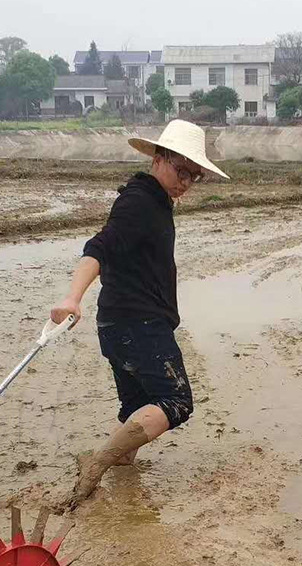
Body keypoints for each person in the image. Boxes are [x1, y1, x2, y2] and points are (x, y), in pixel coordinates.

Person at [50, 120, 230, 506]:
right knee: (176, 402)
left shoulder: (152, 199)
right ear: (159, 158)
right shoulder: (140, 202)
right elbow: (99, 247)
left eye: (193, 177)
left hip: (119, 324)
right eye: (181, 171)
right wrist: (72, 298)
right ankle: (97, 462)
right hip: (138, 324)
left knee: (135, 407)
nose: (185, 182)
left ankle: (117, 471)